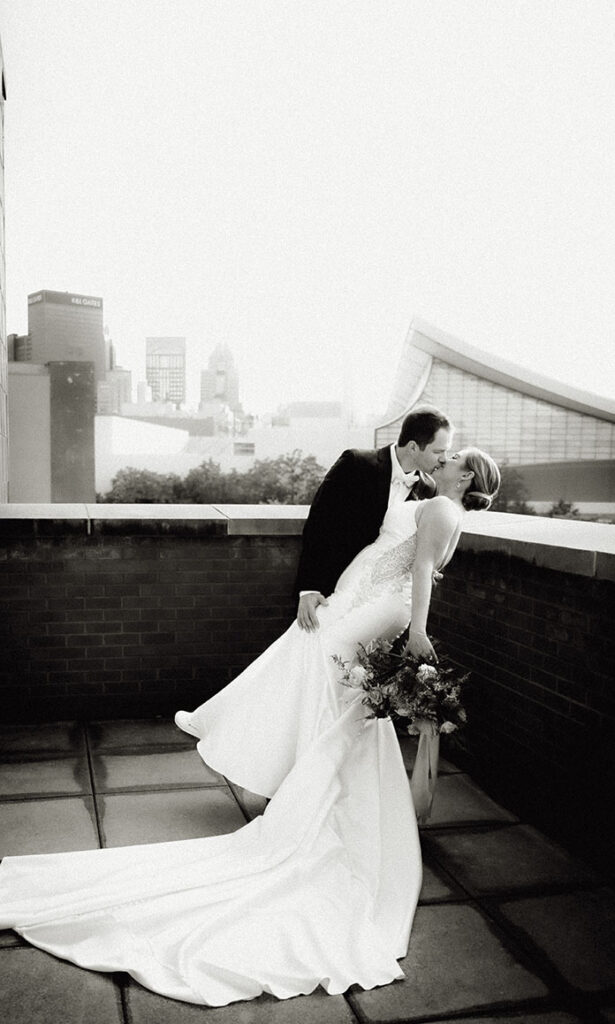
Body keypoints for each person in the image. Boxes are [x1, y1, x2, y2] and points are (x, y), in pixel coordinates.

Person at [0, 448, 500, 1008]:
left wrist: (418, 635)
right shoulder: (450, 513)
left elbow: (417, 573)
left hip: (381, 606)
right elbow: (416, 566)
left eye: (456, 457)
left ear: (467, 477)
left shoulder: (437, 509)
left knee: (340, 692)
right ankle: (330, 792)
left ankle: (323, 799)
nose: (447, 458)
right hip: (377, 604)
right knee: (348, 703)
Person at [296, 404, 453, 633]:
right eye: (439, 452)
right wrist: (308, 589)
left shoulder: (429, 488)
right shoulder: (355, 464)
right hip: (331, 592)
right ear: (413, 447)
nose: (444, 460)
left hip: (378, 606)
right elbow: (319, 525)